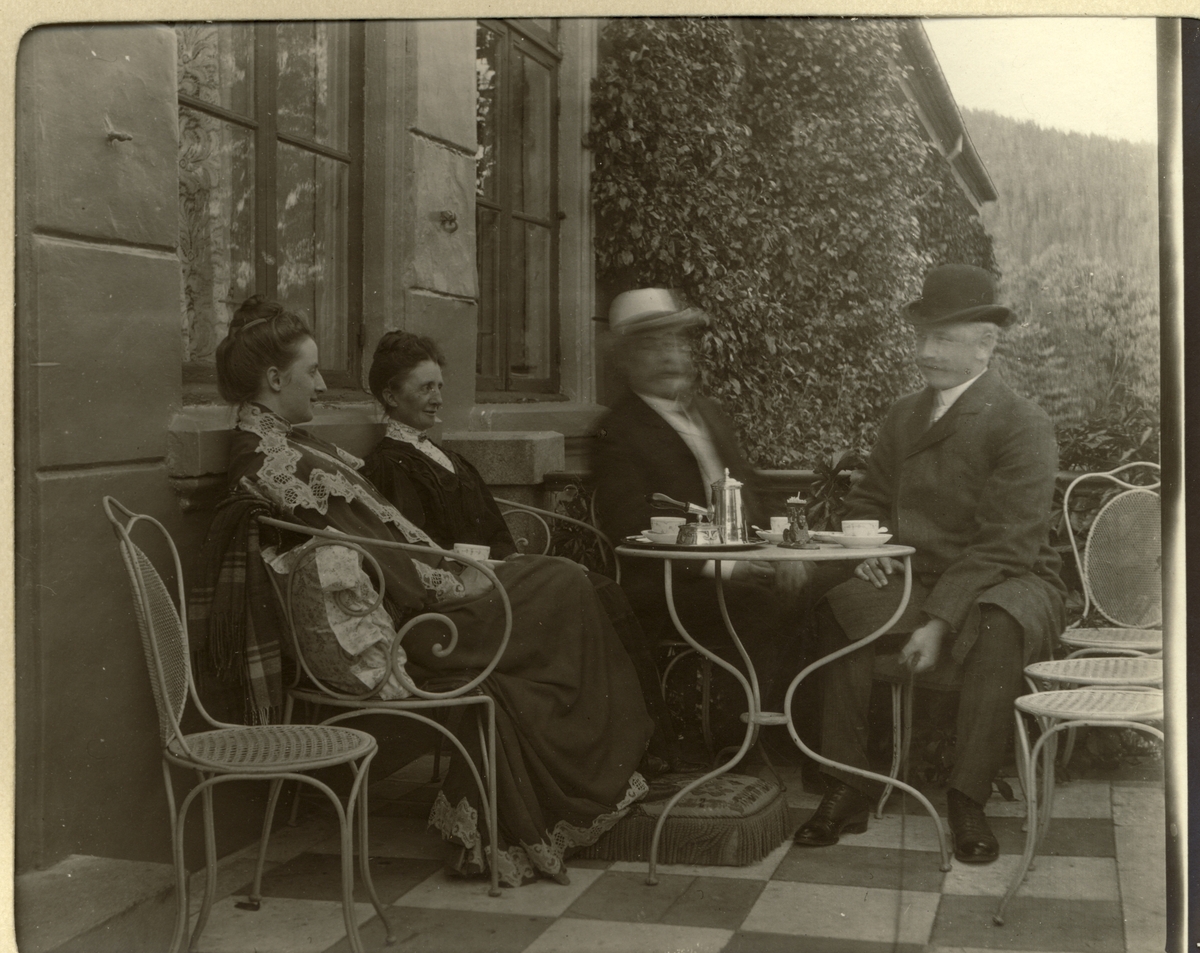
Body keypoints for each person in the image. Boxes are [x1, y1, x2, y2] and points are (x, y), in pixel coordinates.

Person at [212, 295, 654, 888]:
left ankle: (601, 762)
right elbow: (375, 560)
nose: (321, 384)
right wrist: (455, 580)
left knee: (566, 585)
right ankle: (598, 771)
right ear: (274, 378)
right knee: (568, 585)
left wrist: (458, 571)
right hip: (426, 628)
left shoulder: (290, 448)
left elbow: (384, 544)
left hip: (431, 604)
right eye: (312, 371)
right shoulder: (277, 463)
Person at [793, 265, 1067, 865]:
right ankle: (849, 783)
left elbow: (1006, 544)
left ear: (985, 344)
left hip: (1011, 577)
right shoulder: (904, 415)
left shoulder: (1022, 422)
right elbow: (868, 502)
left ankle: (967, 797)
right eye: (921, 336)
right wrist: (870, 552)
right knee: (845, 609)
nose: (924, 352)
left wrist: (939, 621)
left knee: (999, 621)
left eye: (942, 338)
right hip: (917, 576)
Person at [360, 329, 681, 768]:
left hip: (493, 577)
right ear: (391, 397)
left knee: (600, 590)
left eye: (439, 386)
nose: (437, 397)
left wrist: (514, 562)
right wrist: (503, 569)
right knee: (586, 592)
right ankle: (630, 748)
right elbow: (418, 552)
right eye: (424, 388)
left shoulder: (442, 455)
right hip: (455, 606)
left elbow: (494, 529)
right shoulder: (390, 464)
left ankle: (641, 740)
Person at [593, 288, 813, 748]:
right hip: (672, 583)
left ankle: (796, 739)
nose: (671, 356)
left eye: (677, 343)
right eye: (654, 346)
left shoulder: (708, 414)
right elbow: (633, 526)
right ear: (627, 359)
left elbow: (754, 491)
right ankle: (739, 740)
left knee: (822, 594)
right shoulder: (619, 431)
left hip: (741, 565)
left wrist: (790, 548)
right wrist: (727, 567)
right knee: (764, 606)